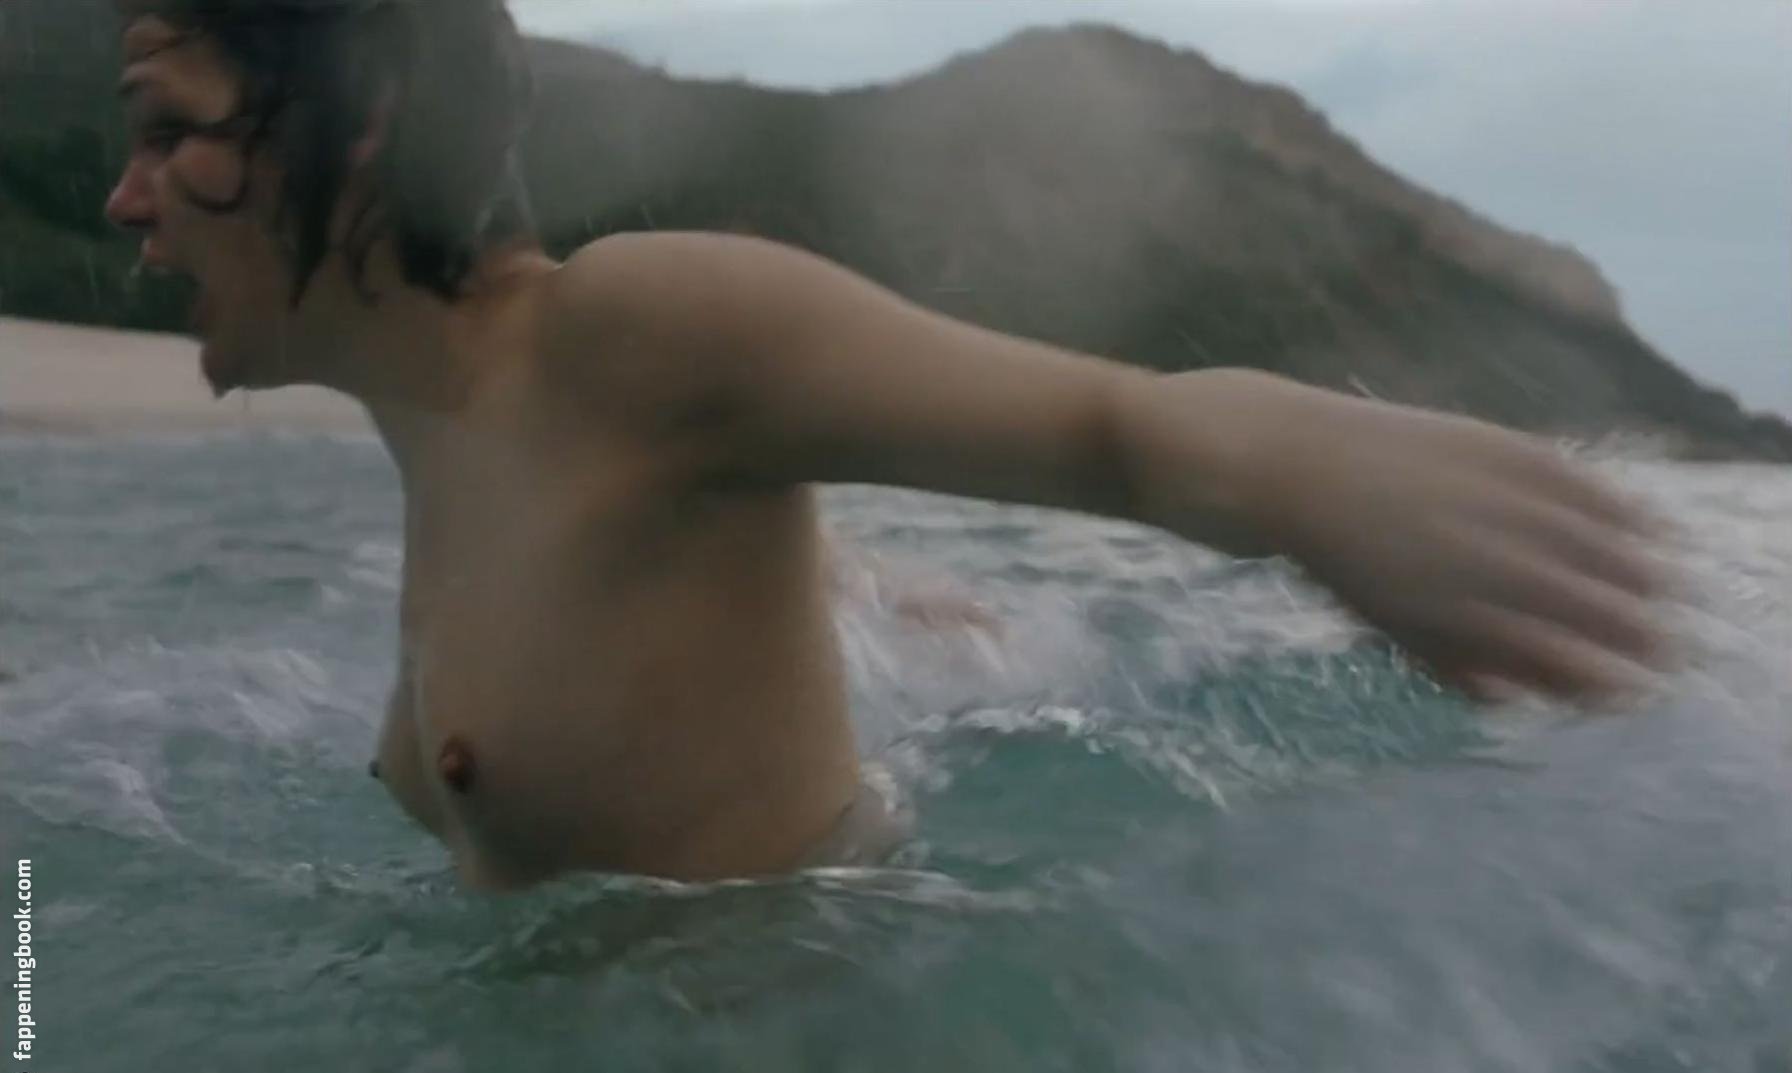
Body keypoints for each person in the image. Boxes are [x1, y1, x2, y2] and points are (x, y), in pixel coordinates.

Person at [103, 0, 1672, 891]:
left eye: (170, 130)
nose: (127, 198)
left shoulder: (629, 332)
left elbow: (1113, 424)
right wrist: (842, 581)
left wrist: (1324, 478)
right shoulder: (449, 441)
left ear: (362, 116)